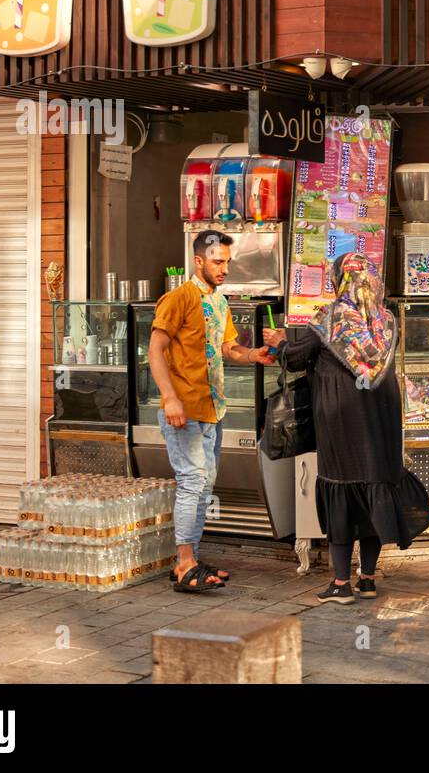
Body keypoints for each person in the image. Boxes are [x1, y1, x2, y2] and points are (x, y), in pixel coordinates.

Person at [263, 253, 427, 605]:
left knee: (341, 489)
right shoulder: (385, 319)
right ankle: (367, 579)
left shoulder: (331, 317)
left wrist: (278, 341)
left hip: (342, 420)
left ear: (340, 280)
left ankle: (340, 583)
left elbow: (294, 357)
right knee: (372, 489)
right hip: (381, 418)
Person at [149, 230, 274, 593]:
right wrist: (170, 398)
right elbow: (155, 350)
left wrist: (253, 355)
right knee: (191, 484)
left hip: (212, 411)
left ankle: (188, 561)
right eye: (218, 262)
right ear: (198, 260)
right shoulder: (177, 299)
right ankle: (185, 562)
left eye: (227, 262)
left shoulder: (219, 302)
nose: (224, 269)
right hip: (183, 410)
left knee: (203, 487)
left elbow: (228, 349)